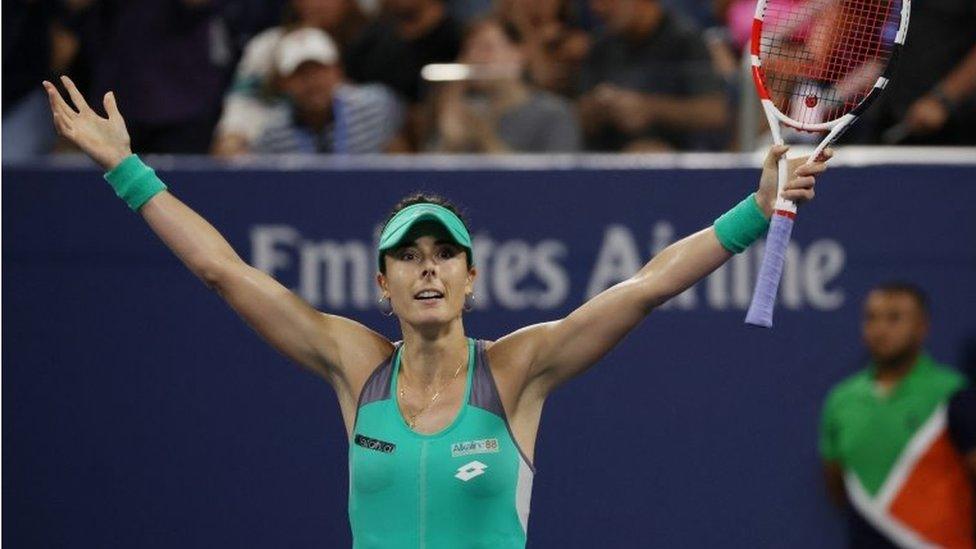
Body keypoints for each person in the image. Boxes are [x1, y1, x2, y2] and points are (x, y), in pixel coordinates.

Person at [43, 74, 828, 547]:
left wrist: (753, 213)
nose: (428, 268)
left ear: (470, 277)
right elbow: (222, 269)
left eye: (443, 253)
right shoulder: (354, 365)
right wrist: (126, 169)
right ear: (381, 284)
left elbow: (645, 285)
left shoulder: (517, 370)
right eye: (409, 257)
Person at [819, 282, 976, 548]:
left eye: (894, 318)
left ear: (921, 327)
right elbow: (837, 486)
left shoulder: (954, 393)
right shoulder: (841, 400)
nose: (881, 329)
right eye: (872, 318)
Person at [213, 27, 403, 155]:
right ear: (284, 83)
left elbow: (401, 159)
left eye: (319, 70)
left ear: (337, 71)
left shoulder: (376, 106)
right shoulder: (272, 134)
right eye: (300, 73)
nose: (312, 82)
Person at [578, 0, 729, 151]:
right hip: (608, 161)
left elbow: (715, 112)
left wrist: (648, 108)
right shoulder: (602, 45)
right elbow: (579, 114)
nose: (597, 8)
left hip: (676, 159)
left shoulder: (684, 40)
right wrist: (597, 107)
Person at [429, 18, 581, 153]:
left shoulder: (554, 113)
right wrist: (451, 143)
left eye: (486, 48)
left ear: (519, 53)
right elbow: (430, 178)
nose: (474, 57)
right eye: (468, 49)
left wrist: (483, 137)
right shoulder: (465, 109)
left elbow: (555, 180)